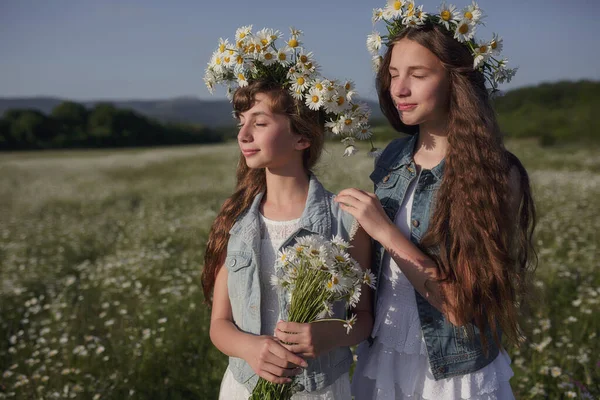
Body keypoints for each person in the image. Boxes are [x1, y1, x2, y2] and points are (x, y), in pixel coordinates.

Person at [336, 2, 537, 399]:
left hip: (450, 373)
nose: (399, 90)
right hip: (383, 358)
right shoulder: (394, 155)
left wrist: (383, 230)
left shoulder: (495, 172)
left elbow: (459, 306)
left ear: (454, 81)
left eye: (417, 74)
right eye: (393, 74)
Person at [201, 26, 374, 399]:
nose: (243, 134)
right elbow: (220, 324)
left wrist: (329, 334)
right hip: (244, 387)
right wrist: (250, 348)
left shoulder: (346, 219)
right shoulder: (238, 219)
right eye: (240, 122)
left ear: (302, 138)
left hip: (320, 390)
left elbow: (363, 319)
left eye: (259, 123)